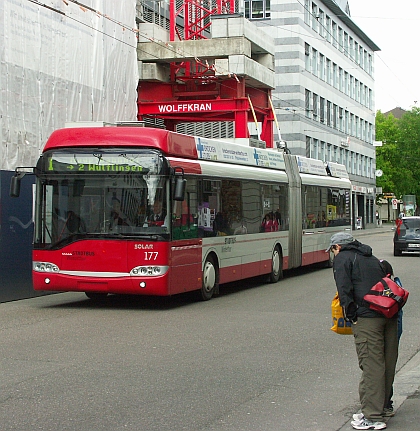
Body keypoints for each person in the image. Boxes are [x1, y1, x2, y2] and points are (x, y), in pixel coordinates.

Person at [327, 232, 398, 430]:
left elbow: (344, 289)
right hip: (388, 315)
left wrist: (351, 315)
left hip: (368, 318)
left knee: (371, 365)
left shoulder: (343, 258)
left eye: (332, 250)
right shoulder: (369, 256)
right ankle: (382, 408)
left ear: (338, 247)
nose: (333, 254)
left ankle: (372, 416)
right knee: (387, 363)